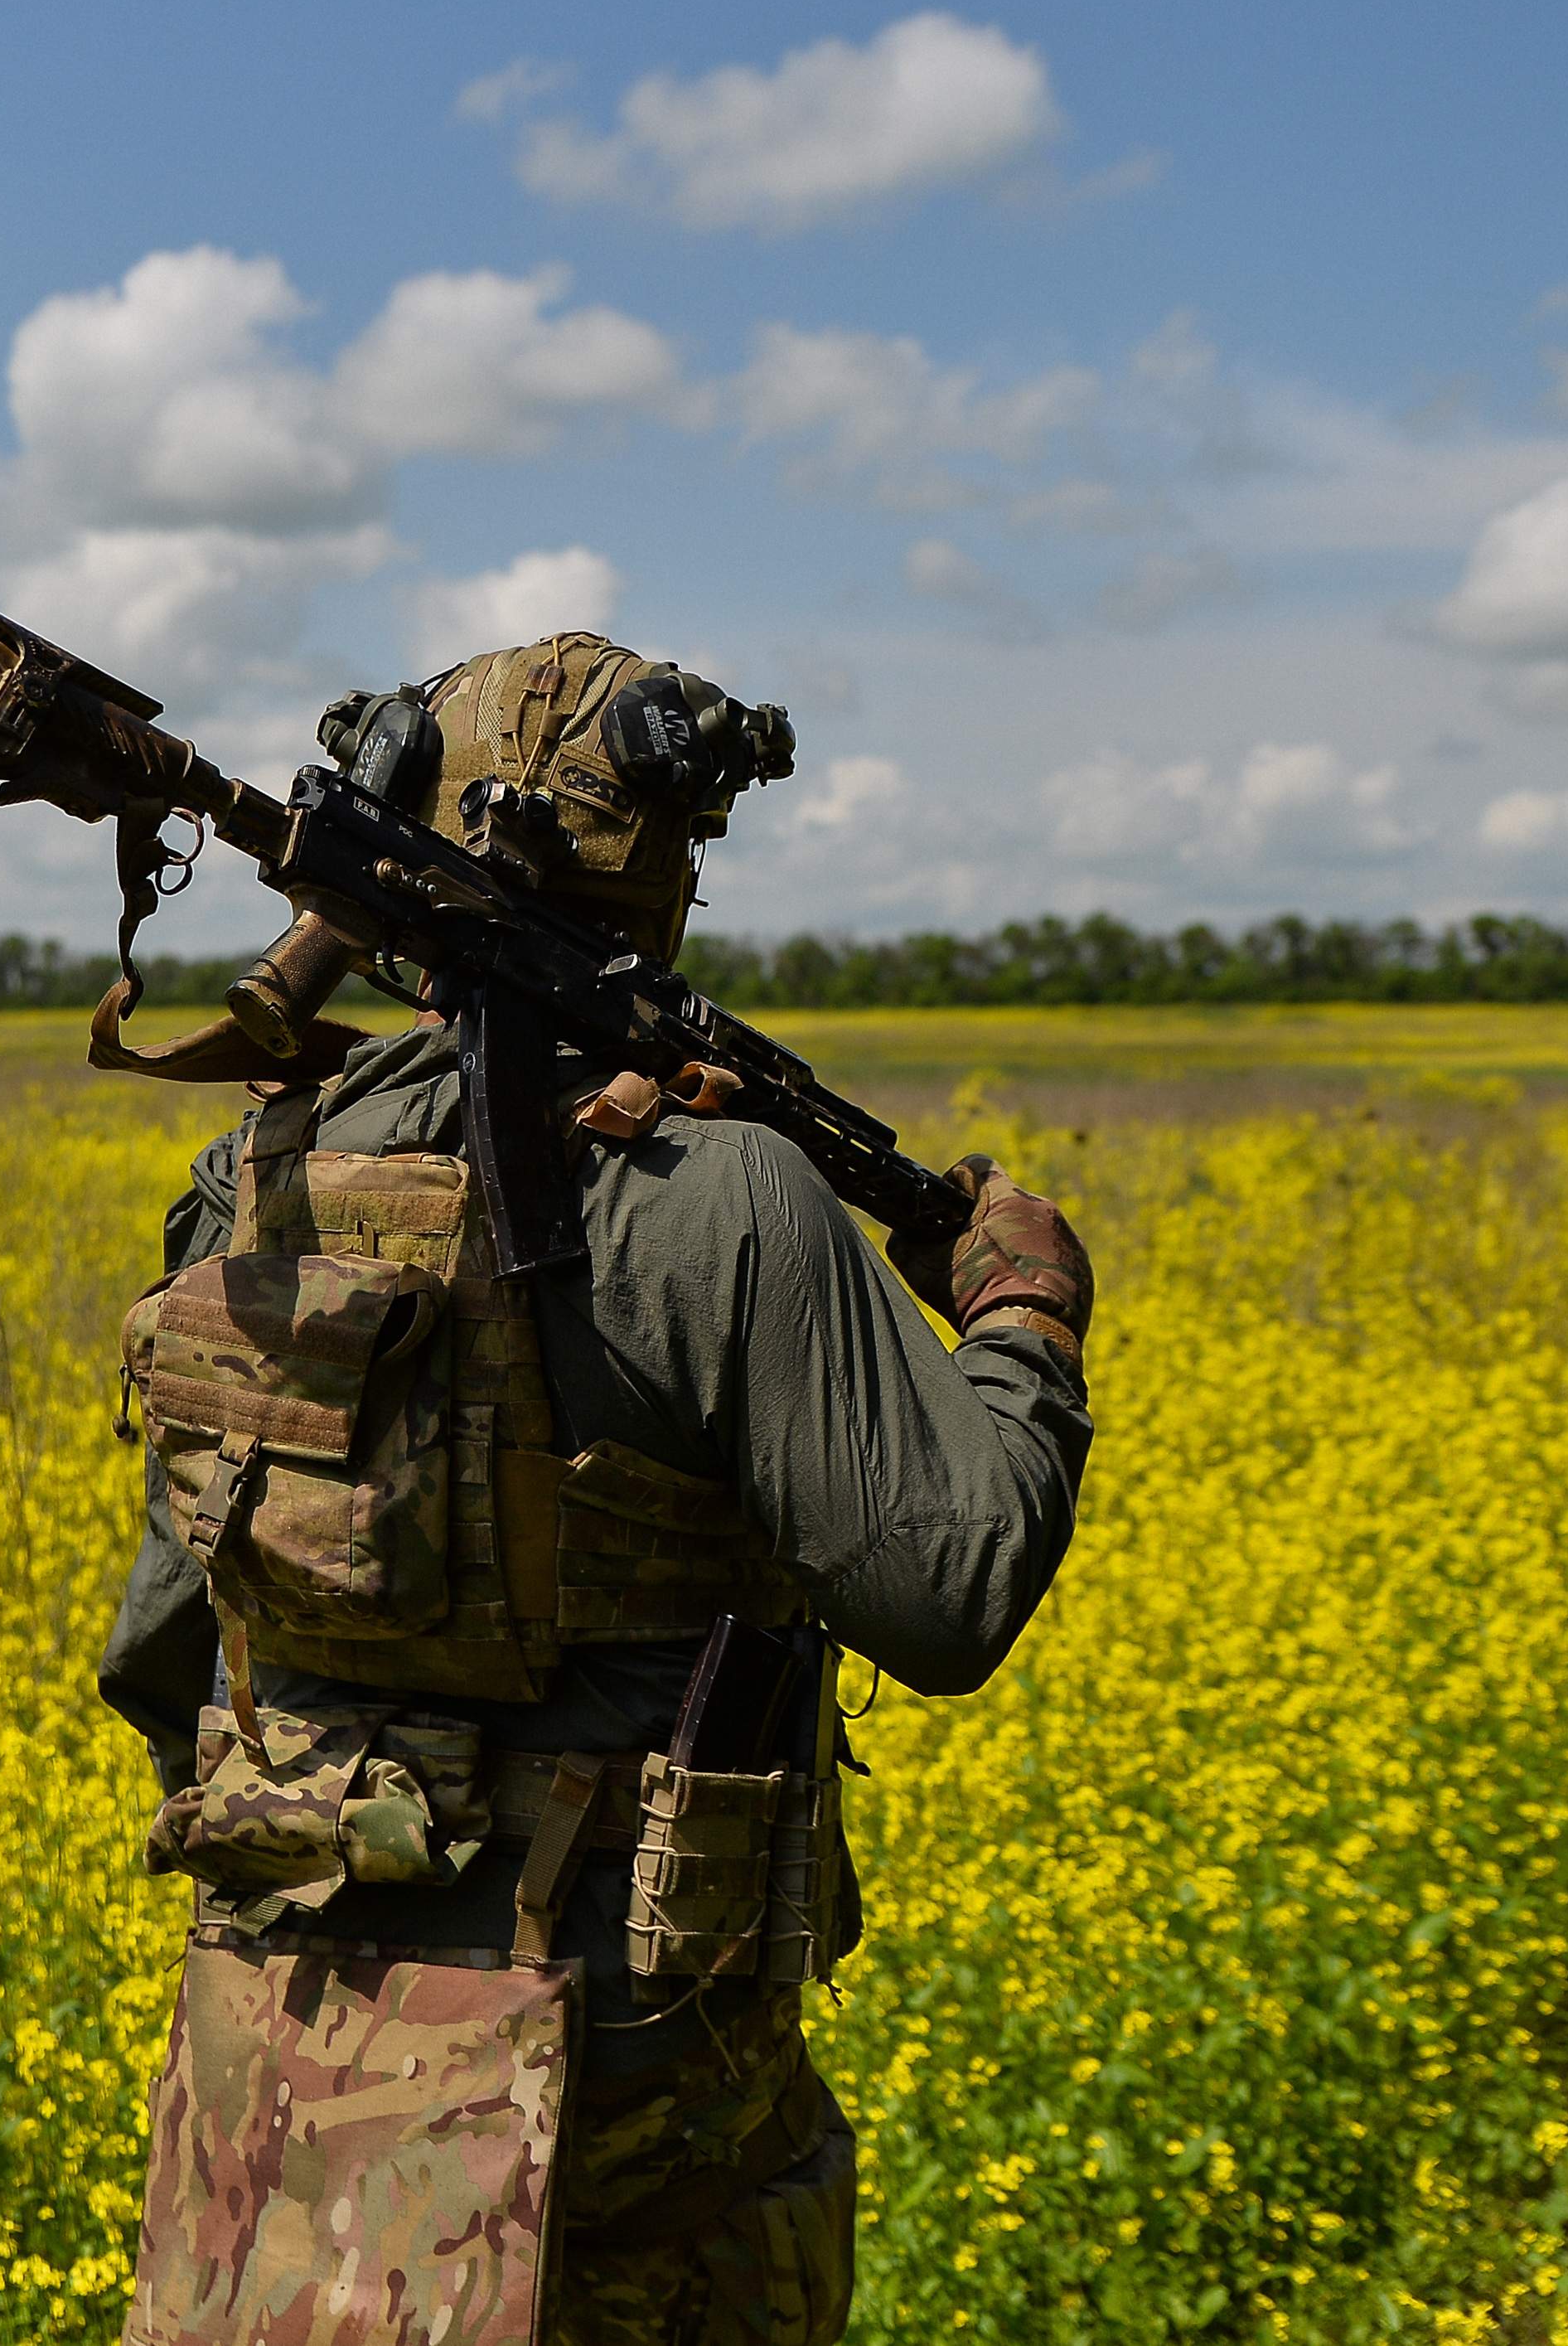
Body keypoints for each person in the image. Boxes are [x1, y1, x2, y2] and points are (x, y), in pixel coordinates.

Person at [98, 631, 1095, 2345]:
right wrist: (1022, 1315)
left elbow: (162, 1648)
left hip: (282, 2033)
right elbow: (951, 1591)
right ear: (664, 871)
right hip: (620, 2074)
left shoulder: (249, 1174)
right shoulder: (731, 1200)